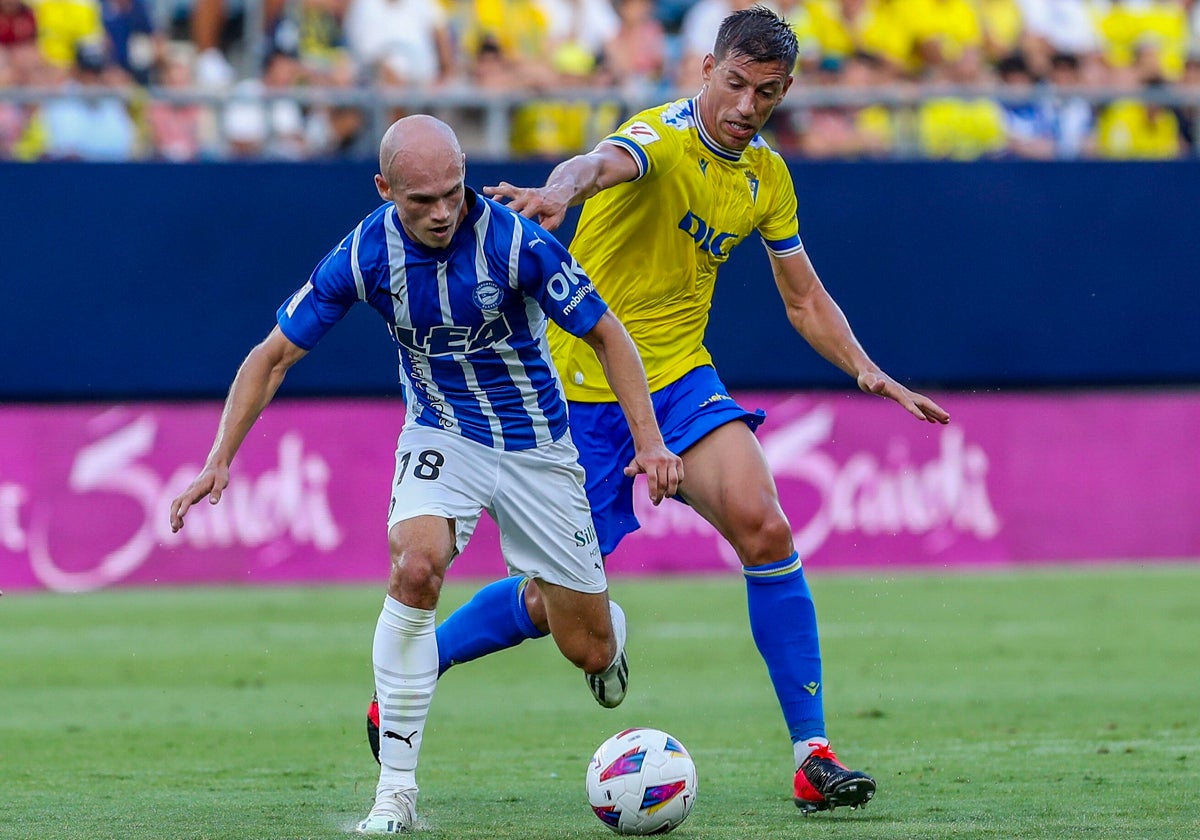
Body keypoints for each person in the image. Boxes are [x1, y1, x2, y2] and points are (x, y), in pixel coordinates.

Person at [374, 6, 952, 816]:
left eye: (768, 92)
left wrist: (867, 370)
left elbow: (803, 297)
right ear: (706, 70)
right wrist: (555, 189)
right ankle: (420, 662)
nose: (748, 105)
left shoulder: (767, 178)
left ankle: (811, 754)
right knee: (554, 611)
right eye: (737, 84)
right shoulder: (660, 136)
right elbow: (597, 165)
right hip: (577, 397)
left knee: (767, 525)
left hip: (678, 380)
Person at [168, 114, 683, 834]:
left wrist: (649, 441)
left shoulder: (515, 242)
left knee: (587, 645)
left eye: (452, 192)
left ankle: (596, 629)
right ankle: (395, 796)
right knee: (415, 567)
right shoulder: (362, 255)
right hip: (442, 433)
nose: (442, 212)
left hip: (538, 449)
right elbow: (273, 354)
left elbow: (606, 333)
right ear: (385, 189)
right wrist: (219, 457)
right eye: (421, 201)